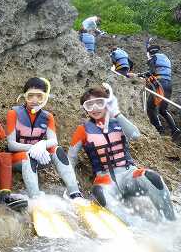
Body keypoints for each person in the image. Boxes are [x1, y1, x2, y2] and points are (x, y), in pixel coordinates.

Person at [68, 85, 175, 222]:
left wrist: (116, 113)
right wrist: (73, 190)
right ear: (85, 108)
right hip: (105, 180)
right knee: (99, 192)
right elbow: (70, 159)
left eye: (99, 103)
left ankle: (171, 223)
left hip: (129, 174)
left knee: (152, 178)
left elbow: (135, 135)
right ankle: (135, 229)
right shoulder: (82, 130)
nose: (95, 108)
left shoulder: (118, 122)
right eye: (89, 105)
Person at [6, 77, 82, 199]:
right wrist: (34, 148)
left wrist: (42, 145)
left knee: (58, 150)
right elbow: (11, 144)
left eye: (39, 96)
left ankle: (75, 193)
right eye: (30, 96)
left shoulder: (48, 117)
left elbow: (54, 141)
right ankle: (35, 197)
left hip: (40, 157)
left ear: (45, 97)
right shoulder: (13, 113)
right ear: (24, 96)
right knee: (27, 156)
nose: (35, 100)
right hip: (18, 159)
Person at [140, 45, 181, 141]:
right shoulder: (165, 58)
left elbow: (152, 71)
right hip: (168, 84)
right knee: (163, 110)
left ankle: (159, 130)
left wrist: (141, 75)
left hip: (160, 84)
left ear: (150, 53)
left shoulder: (153, 58)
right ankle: (175, 129)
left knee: (150, 107)